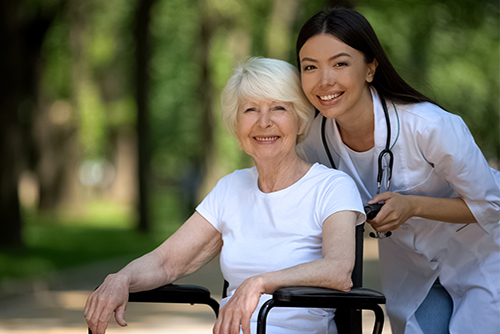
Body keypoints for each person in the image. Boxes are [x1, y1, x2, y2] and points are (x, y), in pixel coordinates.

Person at [84, 57, 366, 334]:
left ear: (300, 120)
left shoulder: (331, 186)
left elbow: (338, 270)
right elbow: (166, 261)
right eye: (250, 110)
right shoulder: (230, 188)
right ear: (236, 126)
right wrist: (120, 278)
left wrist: (261, 282)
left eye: (278, 108)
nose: (264, 122)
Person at [295, 7, 500, 334]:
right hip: (413, 269)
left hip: (483, 257)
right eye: (310, 67)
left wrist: (413, 206)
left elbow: (492, 204)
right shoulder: (311, 144)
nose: (325, 80)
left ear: (370, 68)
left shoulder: (430, 126)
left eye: (340, 63)